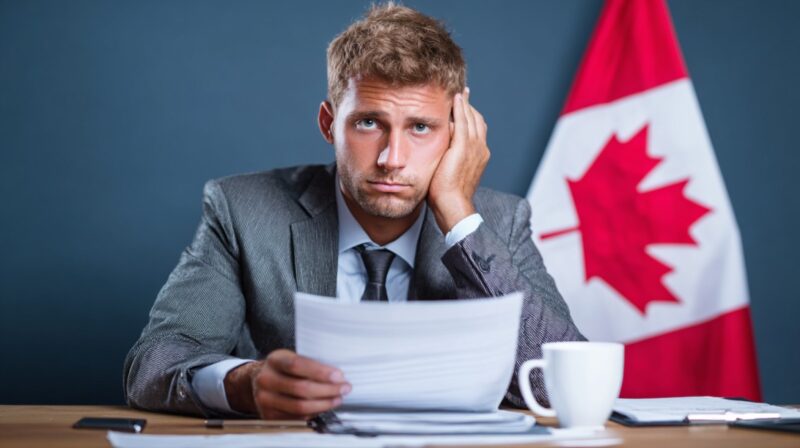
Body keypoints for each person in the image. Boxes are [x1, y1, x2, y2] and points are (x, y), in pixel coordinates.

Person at [123, 2, 585, 419]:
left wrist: (458, 219)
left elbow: (558, 385)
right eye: (369, 123)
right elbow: (156, 361)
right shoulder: (243, 211)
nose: (392, 158)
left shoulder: (498, 223)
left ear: (458, 135)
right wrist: (245, 383)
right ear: (329, 124)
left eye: (421, 127)